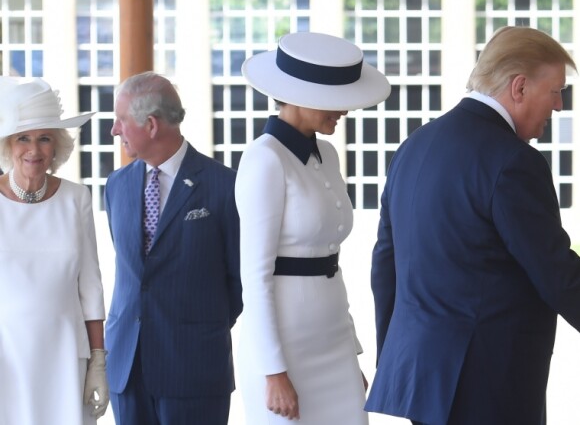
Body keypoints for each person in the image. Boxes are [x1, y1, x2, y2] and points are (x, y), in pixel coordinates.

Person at [366, 26, 580, 425]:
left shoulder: (413, 147)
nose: (560, 106)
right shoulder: (514, 161)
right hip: (489, 386)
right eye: (555, 91)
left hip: (423, 381)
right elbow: (556, 273)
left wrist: (396, 355)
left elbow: (385, 264)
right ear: (519, 88)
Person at [235, 31, 391, 424]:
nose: (345, 111)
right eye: (337, 103)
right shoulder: (264, 158)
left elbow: (328, 265)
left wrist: (350, 350)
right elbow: (254, 276)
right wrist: (274, 372)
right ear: (301, 96)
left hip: (334, 340)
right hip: (285, 349)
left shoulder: (329, 154)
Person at [104, 71, 242, 425]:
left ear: (150, 125)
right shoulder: (116, 185)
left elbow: (239, 281)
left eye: (120, 120)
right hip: (127, 368)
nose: (114, 130)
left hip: (194, 370)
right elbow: (131, 273)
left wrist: (194, 328)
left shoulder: (225, 187)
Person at [0, 77, 108, 425]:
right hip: (7, 356)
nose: (34, 149)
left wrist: (98, 361)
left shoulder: (77, 198)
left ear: (57, 145)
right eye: (24, 138)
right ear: (8, 144)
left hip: (65, 356)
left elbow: (90, 285)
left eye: (44, 138)